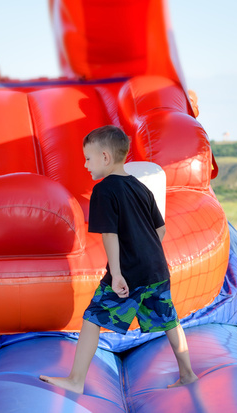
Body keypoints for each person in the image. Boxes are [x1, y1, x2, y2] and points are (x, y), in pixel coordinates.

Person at [39, 126, 198, 394]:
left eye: (88, 158)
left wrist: (118, 273)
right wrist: (145, 252)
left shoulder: (104, 190)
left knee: (92, 317)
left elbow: (109, 234)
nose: (85, 164)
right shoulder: (141, 188)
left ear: (105, 157)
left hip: (129, 270)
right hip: (156, 268)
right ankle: (188, 373)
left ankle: (76, 380)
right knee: (169, 318)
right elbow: (161, 230)